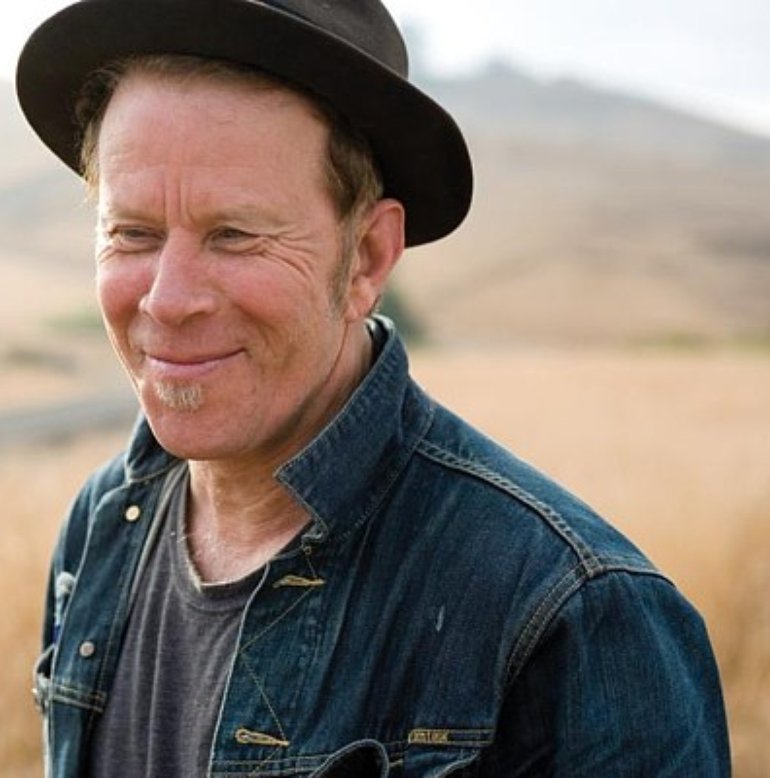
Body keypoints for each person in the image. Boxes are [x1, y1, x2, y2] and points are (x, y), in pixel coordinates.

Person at [17, 1, 730, 776]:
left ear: (365, 259)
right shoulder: (103, 523)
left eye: (235, 236)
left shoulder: (577, 616)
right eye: (132, 233)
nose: (167, 299)